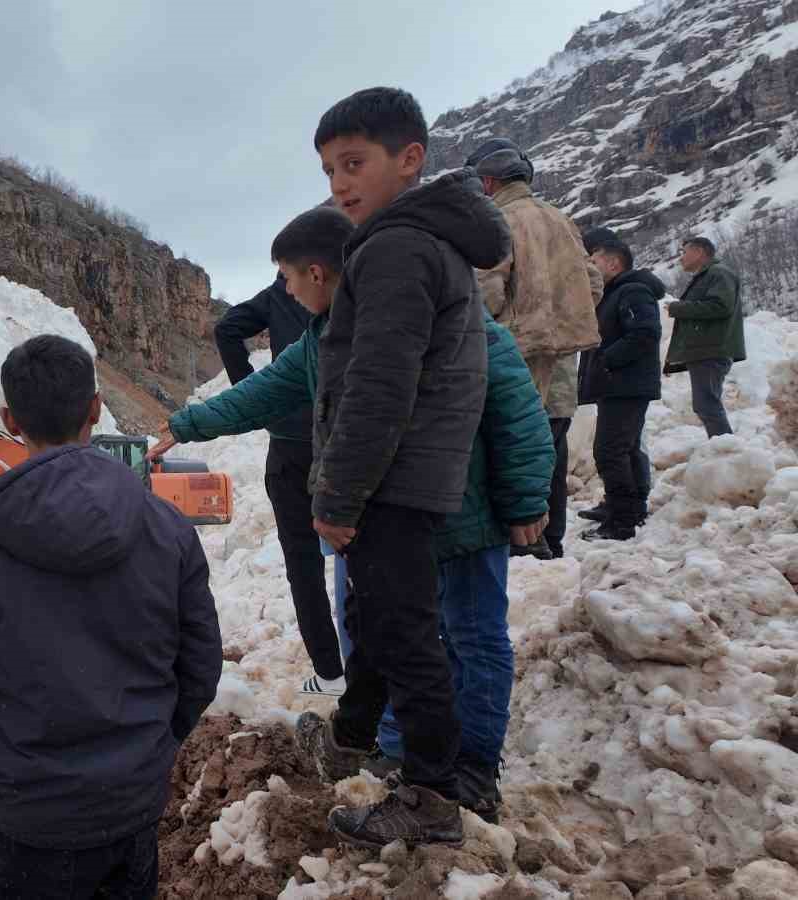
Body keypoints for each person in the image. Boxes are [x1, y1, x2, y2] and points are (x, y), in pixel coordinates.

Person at [161, 85, 510, 846]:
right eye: (328, 170)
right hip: (410, 476)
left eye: (354, 163)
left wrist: (339, 498)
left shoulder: (394, 249)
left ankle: (431, 796)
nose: (340, 183)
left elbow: (377, 389)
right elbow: (300, 385)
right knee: (385, 625)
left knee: (408, 636)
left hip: (395, 479)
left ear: (409, 158)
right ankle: (362, 737)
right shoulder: (418, 244)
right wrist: (188, 423)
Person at [0, 334, 221, 899]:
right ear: (96, 409)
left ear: (10, 420)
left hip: (23, 818)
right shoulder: (168, 527)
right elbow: (200, 666)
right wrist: (150, 751)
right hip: (130, 809)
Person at [465, 139, 602, 560]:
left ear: (489, 182)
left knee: (513, 445)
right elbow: (593, 284)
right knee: (552, 445)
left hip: (515, 355)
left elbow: (486, 292)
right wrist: (563, 318)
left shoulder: (498, 220)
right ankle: (552, 537)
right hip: (562, 356)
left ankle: (524, 542)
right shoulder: (561, 219)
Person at [213, 274, 343, 696]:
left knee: (303, 566)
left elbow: (227, 328)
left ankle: (330, 672)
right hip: (342, 440)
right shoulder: (350, 287)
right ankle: (369, 668)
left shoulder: (277, 294)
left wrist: (254, 392)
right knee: (361, 559)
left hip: (290, 444)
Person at [577, 235, 665, 541]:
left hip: (625, 384)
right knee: (625, 448)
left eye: (593, 260)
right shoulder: (616, 292)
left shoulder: (632, 291)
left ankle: (622, 520)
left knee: (609, 451)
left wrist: (606, 361)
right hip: (619, 383)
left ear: (614, 263)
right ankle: (629, 507)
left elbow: (645, 333)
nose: (588, 265)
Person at [665, 236, 745, 438]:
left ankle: (726, 449)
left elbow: (720, 306)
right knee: (705, 404)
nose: (681, 258)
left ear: (699, 252)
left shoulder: (719, 273)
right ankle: (724, 446)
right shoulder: (709, 275)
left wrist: (678, 308)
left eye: (684, 252)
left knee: (707, 404)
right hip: (705, 350)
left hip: (711, 349)